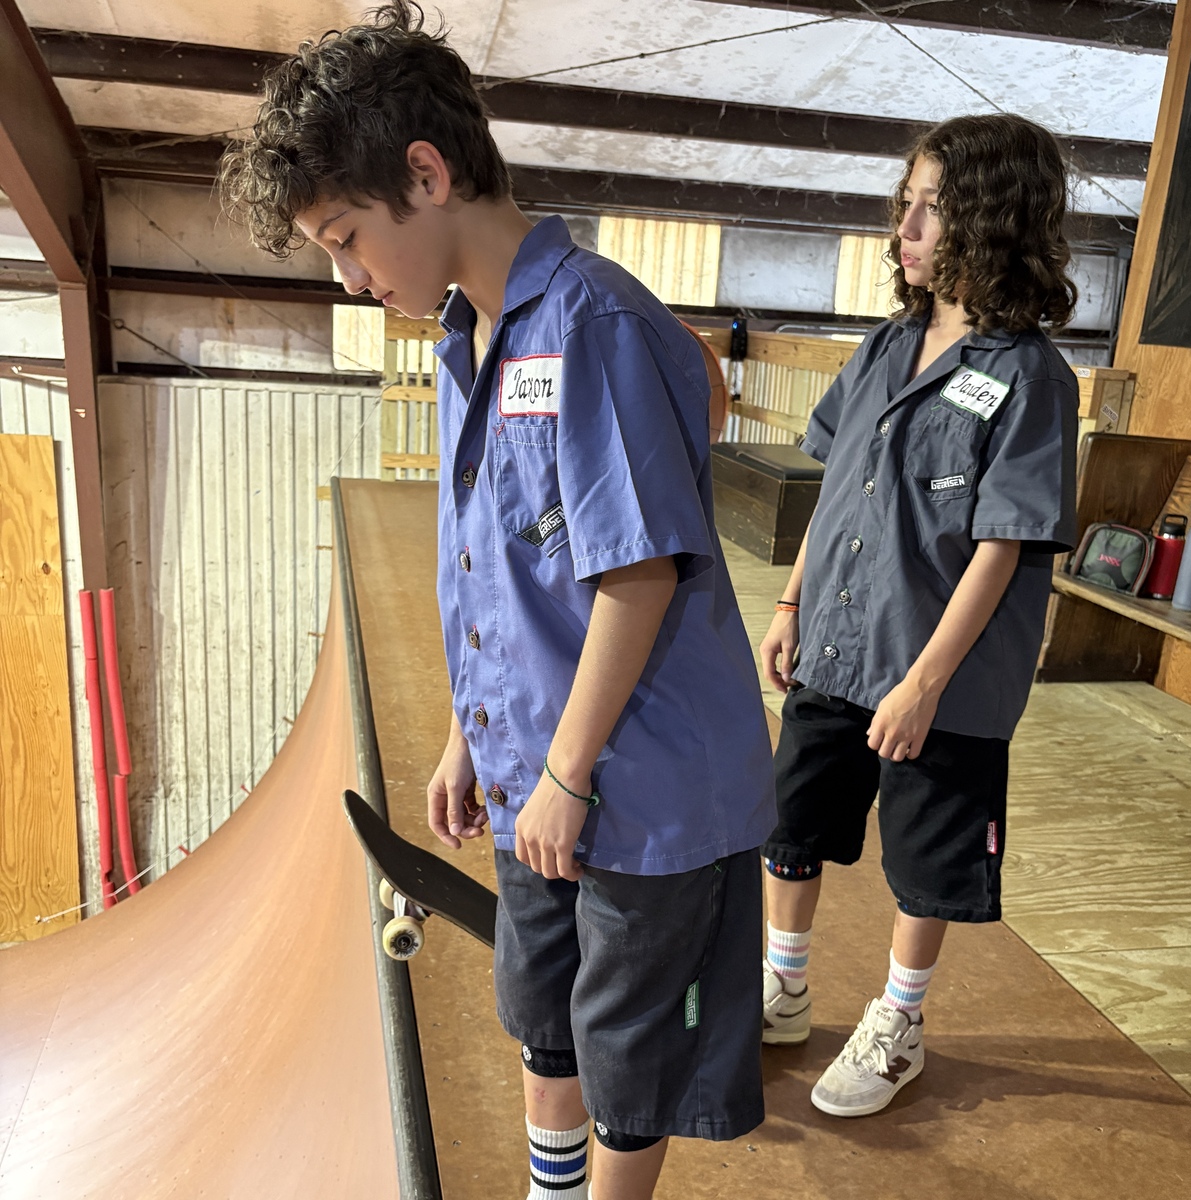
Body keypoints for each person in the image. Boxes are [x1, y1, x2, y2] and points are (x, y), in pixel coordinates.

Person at [219, 5, 775, 1197]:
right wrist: (472, 736)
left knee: (628, 1056)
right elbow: (503, 569)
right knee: (543, 1012)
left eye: (347, 238)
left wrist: (567, 774)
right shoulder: (467, 340)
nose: (350, 277)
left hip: (642, 786)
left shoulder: (593, 323)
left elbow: (636, 575)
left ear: (427, 175)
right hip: (540, 769)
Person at [758, 113, 1079, 1117]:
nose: (905, 228)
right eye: (905, 204)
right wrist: (791, 601)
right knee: (791, 822)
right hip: (837, 641)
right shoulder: (885, 346)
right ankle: (783, 987)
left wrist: (924, 684)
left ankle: (899, 1023)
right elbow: (836, 487)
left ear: (992, 218)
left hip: (940, 677)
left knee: (925, 858)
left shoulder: (1031, 379)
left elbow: (1004, 544)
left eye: (931, 209)